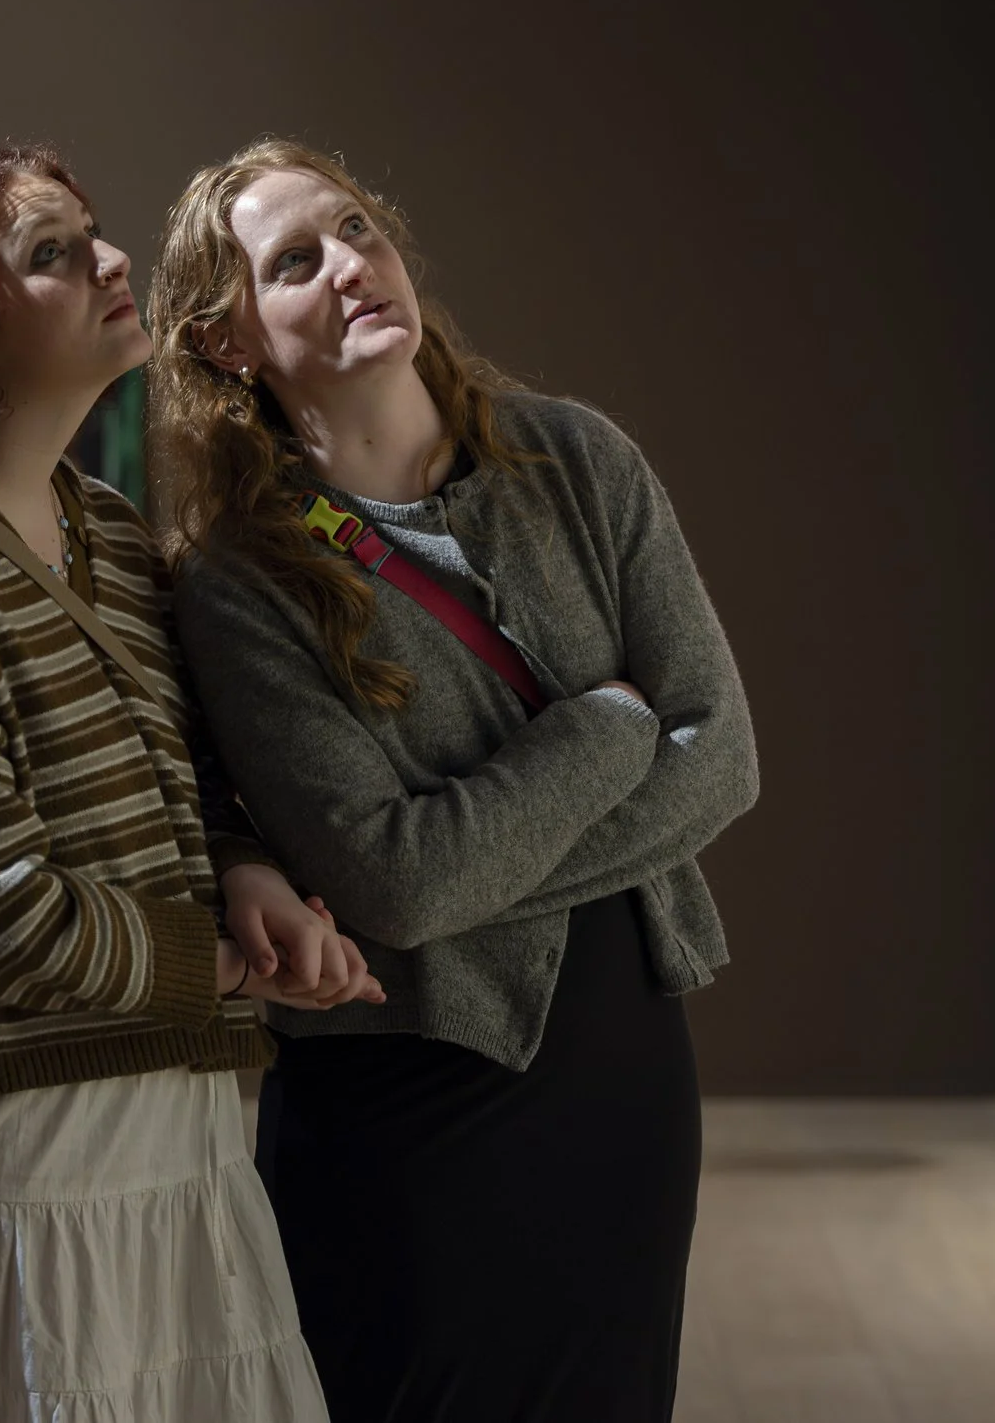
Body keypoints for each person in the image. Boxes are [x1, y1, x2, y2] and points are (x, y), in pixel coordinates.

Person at [0, 145, 375, 1423]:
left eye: (93, 234)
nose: (109, 260)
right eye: (51, 253)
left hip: (168, 1157)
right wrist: (224, 966)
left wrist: (245, 873)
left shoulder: (103, 527)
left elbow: (187, 775)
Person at [145, 137, 759, 1421]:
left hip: (620, 1061)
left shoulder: (577, 460)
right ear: (226, 343)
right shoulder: (240, 573)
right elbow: (392, 884)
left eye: (356, 229)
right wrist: (605, 731)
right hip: (407, 1098)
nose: (348, 265)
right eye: (292, 262)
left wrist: (451, 866)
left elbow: (720, 759)